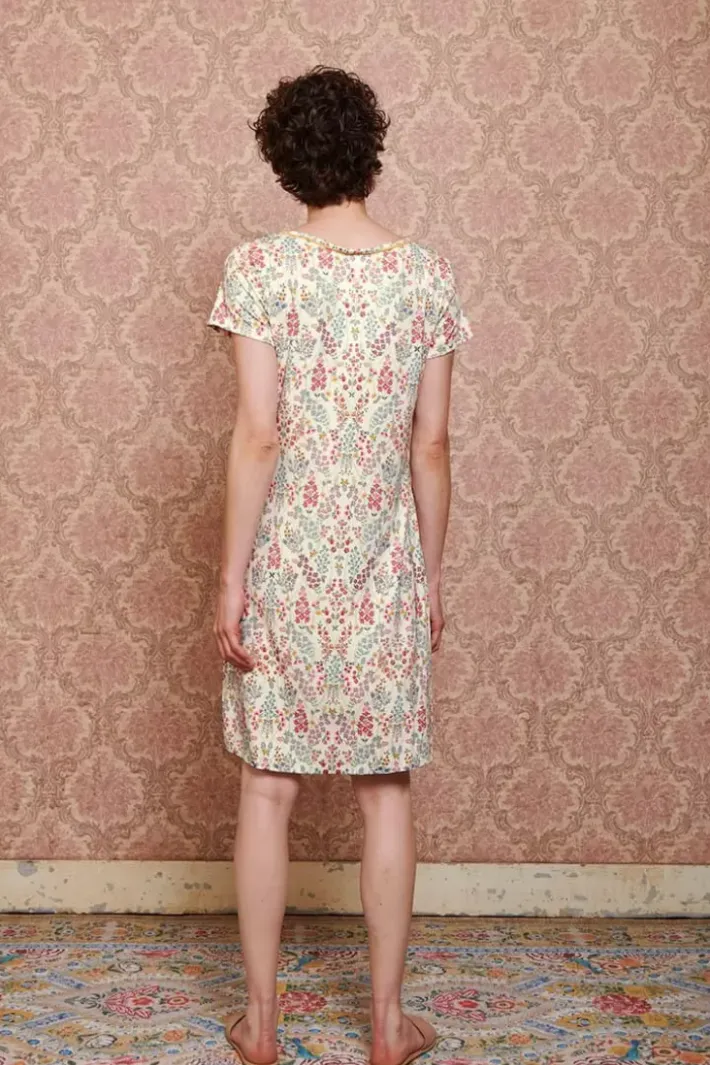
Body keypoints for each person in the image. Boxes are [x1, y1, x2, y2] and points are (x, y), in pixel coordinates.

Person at [207, 65, 472, 1065]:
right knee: (384, 790)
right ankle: (386, 1024)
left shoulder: (258, 268)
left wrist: (232, 579)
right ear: (372, 151)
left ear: (284, 161)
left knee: (266, 789)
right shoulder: (424, 275)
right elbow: (431, 446)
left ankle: (263, 1023)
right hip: (381, 564)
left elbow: (258, 434)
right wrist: (429, 577)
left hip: (284, 561)